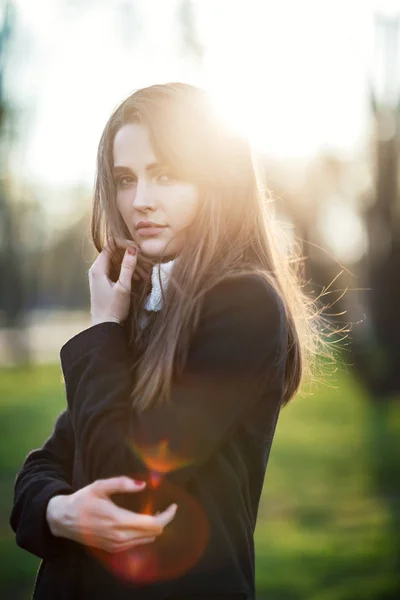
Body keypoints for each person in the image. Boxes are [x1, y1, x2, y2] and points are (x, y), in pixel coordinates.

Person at [10, 82, 330, 600]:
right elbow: (43, 468)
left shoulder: (244, 305)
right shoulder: (140, 305)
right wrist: (58, 511)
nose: (141, 201)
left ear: (216, 182)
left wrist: (103, 331)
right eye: (124, 178)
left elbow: (126, 478)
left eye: (166, 175)